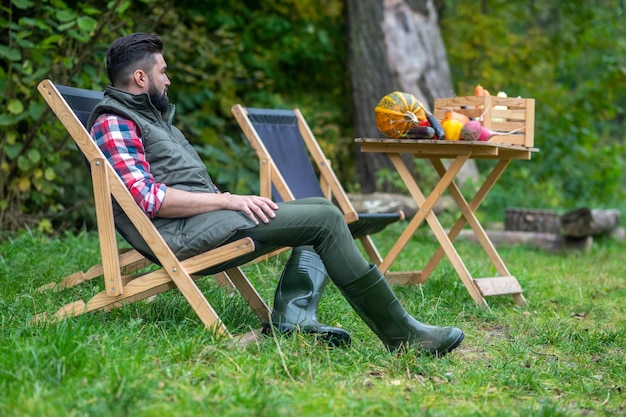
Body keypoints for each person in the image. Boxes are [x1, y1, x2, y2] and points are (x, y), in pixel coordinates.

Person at [88, 33, 464, 356]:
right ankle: (404, 336)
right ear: (140, 77)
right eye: (162, 72)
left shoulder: (151, 118)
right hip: (177, 236)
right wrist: (227, 199)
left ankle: (295, 318)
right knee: (325, 220)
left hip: (200, 223)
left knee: (318, 209)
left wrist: (228, 201)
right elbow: (146, 199)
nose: (167, 80)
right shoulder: (114, 120)